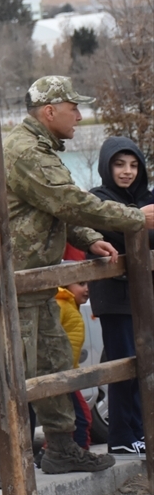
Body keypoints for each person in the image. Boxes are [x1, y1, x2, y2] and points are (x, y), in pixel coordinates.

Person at [0, 76, 152, 488]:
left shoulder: (40, 148)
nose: (80, 116)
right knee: (17, 371)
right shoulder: (29, 151)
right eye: (74, 108)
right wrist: (137, 218)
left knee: (53, 364)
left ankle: (61, 447)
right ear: (50, 112)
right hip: (15, 285)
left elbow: (54, 209)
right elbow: (69, 200)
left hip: (37, 284)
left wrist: (89, 239)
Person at [88, 136, 152, 456]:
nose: (127, 171)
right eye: (119, 164)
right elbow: (117, 231)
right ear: (106, 166)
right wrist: (141, 220)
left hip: (145, 297)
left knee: (147, 364)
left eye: (133, 165)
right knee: (124, 364)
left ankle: (144, 430)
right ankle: (123, 435)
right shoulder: (98, 198)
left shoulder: (146, 197)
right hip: (115, 298)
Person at [53, 278, 93, 450]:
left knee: (65, 418)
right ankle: (81, 451)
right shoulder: (60, 305)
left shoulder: (70, 305)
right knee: (81, 417)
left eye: (88, 284)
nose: (87, 289)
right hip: (61, 373)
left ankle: (52, 451)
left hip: (68, 371)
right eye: (81, 284)